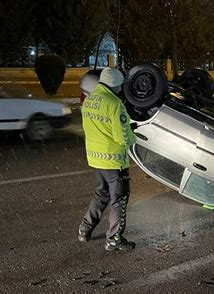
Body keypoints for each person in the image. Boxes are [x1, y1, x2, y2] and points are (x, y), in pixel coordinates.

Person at [78, 67, 137, 251]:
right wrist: (133, 134)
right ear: (115, 85)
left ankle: (84, 230)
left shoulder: (89, 100)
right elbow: (123, 138)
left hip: (96, 159)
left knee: (100, 195)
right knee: (119, 200)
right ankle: (114, 240)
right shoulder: (115, 104)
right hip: (114, 161)